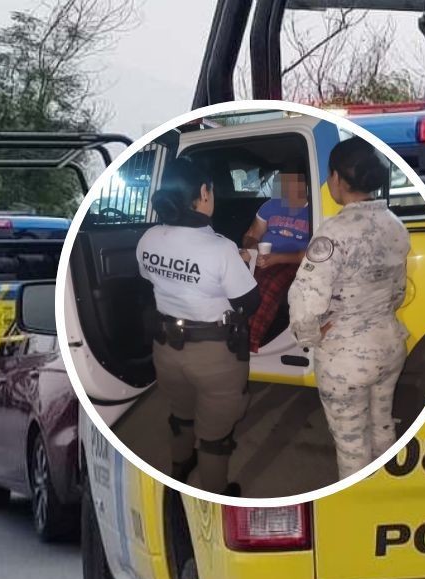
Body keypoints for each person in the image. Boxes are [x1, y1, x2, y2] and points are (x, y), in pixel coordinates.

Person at [289, 137, 410, 480]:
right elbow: (398, 292)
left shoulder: (333, 233)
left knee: (352, 444)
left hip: (345, 358)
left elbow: (304, 304)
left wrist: (311, 337)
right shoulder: (395, 225)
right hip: (389, 344)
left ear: (339, 179)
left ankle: (361, 512)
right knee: (383, 427)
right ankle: (389, 492)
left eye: (329, 175)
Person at [137, 157, 260, 496]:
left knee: (181, 414)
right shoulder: (220, 249)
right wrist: (243, 264)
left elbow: (152, 278)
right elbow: (248, 303)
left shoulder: (149, 238)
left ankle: (179, 468)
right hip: (214, 355)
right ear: (204, 193)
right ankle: (212, 494)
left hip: (166, 348)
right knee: (215, 435)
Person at [239, 170, 311, 351]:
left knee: (268, 284)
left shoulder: (312, 211)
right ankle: (229, 330)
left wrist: (277, 258)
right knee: (234, 275)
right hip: (264, 258)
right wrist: (253, 249)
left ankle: (248, 341)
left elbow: (313, 253)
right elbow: (251, 235)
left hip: (294, 261)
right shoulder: (271, 206)